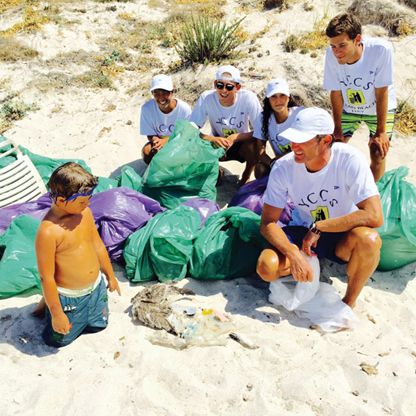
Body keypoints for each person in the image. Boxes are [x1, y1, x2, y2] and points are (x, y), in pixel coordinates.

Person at [256, 107, 383, 308]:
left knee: (370, 240)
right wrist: (292, 253)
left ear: (325, 141)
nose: (294, 146)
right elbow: (267, 223)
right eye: (293, 139)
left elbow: (374, 216)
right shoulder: (283, 167)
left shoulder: (349, 159)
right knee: (266, 267)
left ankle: (348, 302)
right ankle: (305, 263)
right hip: (302, 231)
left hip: (341, 234)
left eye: (302, 140)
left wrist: (320, 227)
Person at [35, 162, 121, 347]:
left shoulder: (85, 214)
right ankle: (49, 311)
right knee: (59, 339)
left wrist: (110, 275)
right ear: (60, 201)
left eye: (88, 199)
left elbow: (97, 245)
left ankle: (53, 310)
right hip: (69, 298)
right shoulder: (49, 232)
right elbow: (46, 277)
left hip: (96, 288)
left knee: (98, 325)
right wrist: (57, 313)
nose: (87, 204)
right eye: (82, 201)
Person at [324, 12, 397, 182]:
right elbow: (335, 92)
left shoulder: (380, 50)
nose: (336, 52)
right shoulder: (331, 54)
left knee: (378, 151)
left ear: (357, 39)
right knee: (335, 150)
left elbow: (381, 91)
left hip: (378, 107)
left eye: (341, 45)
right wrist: (337, 129)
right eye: (333, 46)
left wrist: (380, 132)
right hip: (349, 107)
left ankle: (372, 195)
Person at [190, 65, 262, 185]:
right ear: (215, 84)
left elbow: (261, 131)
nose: (224, 90)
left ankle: (246, 176)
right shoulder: (206, 98)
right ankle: (216, 171)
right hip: (217, 143)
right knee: (195, 144)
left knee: (256, 145)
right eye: (219, 85)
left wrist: (235, 137)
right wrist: (212, 139)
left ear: (237, 87)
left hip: (241, 144)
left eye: (229, 87)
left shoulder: (248, 98)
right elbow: (191, 128)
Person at [253, 78, 303, 178]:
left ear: (288, 97)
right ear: (268, 99)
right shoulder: (263, 118)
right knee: (259, 168)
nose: (278, 101)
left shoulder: (300, 114)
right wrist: (272, 163)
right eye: (274, 97)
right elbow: (260, 151)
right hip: (279, 165)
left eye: (282, 95)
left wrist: (280, 159)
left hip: (302, 162)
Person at [140, 74, 192, 164]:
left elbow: (188, 135)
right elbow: (150, 133)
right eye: (156, 93)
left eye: (165, 92)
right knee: (147, 152)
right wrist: (156, 142)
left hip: (180, 143)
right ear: (152, 94)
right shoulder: (147, 109)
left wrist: (167, 141)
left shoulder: (184, 109)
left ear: (172, 92)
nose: (161, 97)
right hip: (161, 142)